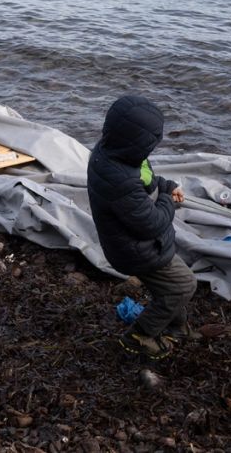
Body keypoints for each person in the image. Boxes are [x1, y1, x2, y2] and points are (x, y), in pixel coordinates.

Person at [86, 95, 200, 359]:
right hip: (137, 251)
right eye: (151, 143)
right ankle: (139, 336)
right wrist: (168, 200)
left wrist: (166, 185)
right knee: (183, 286)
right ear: (138, 144)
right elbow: (152, 224)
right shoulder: (119, 181)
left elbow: (146, 178)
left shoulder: (115, 151)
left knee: (173, 286)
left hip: (141, 244)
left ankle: (175, 325)